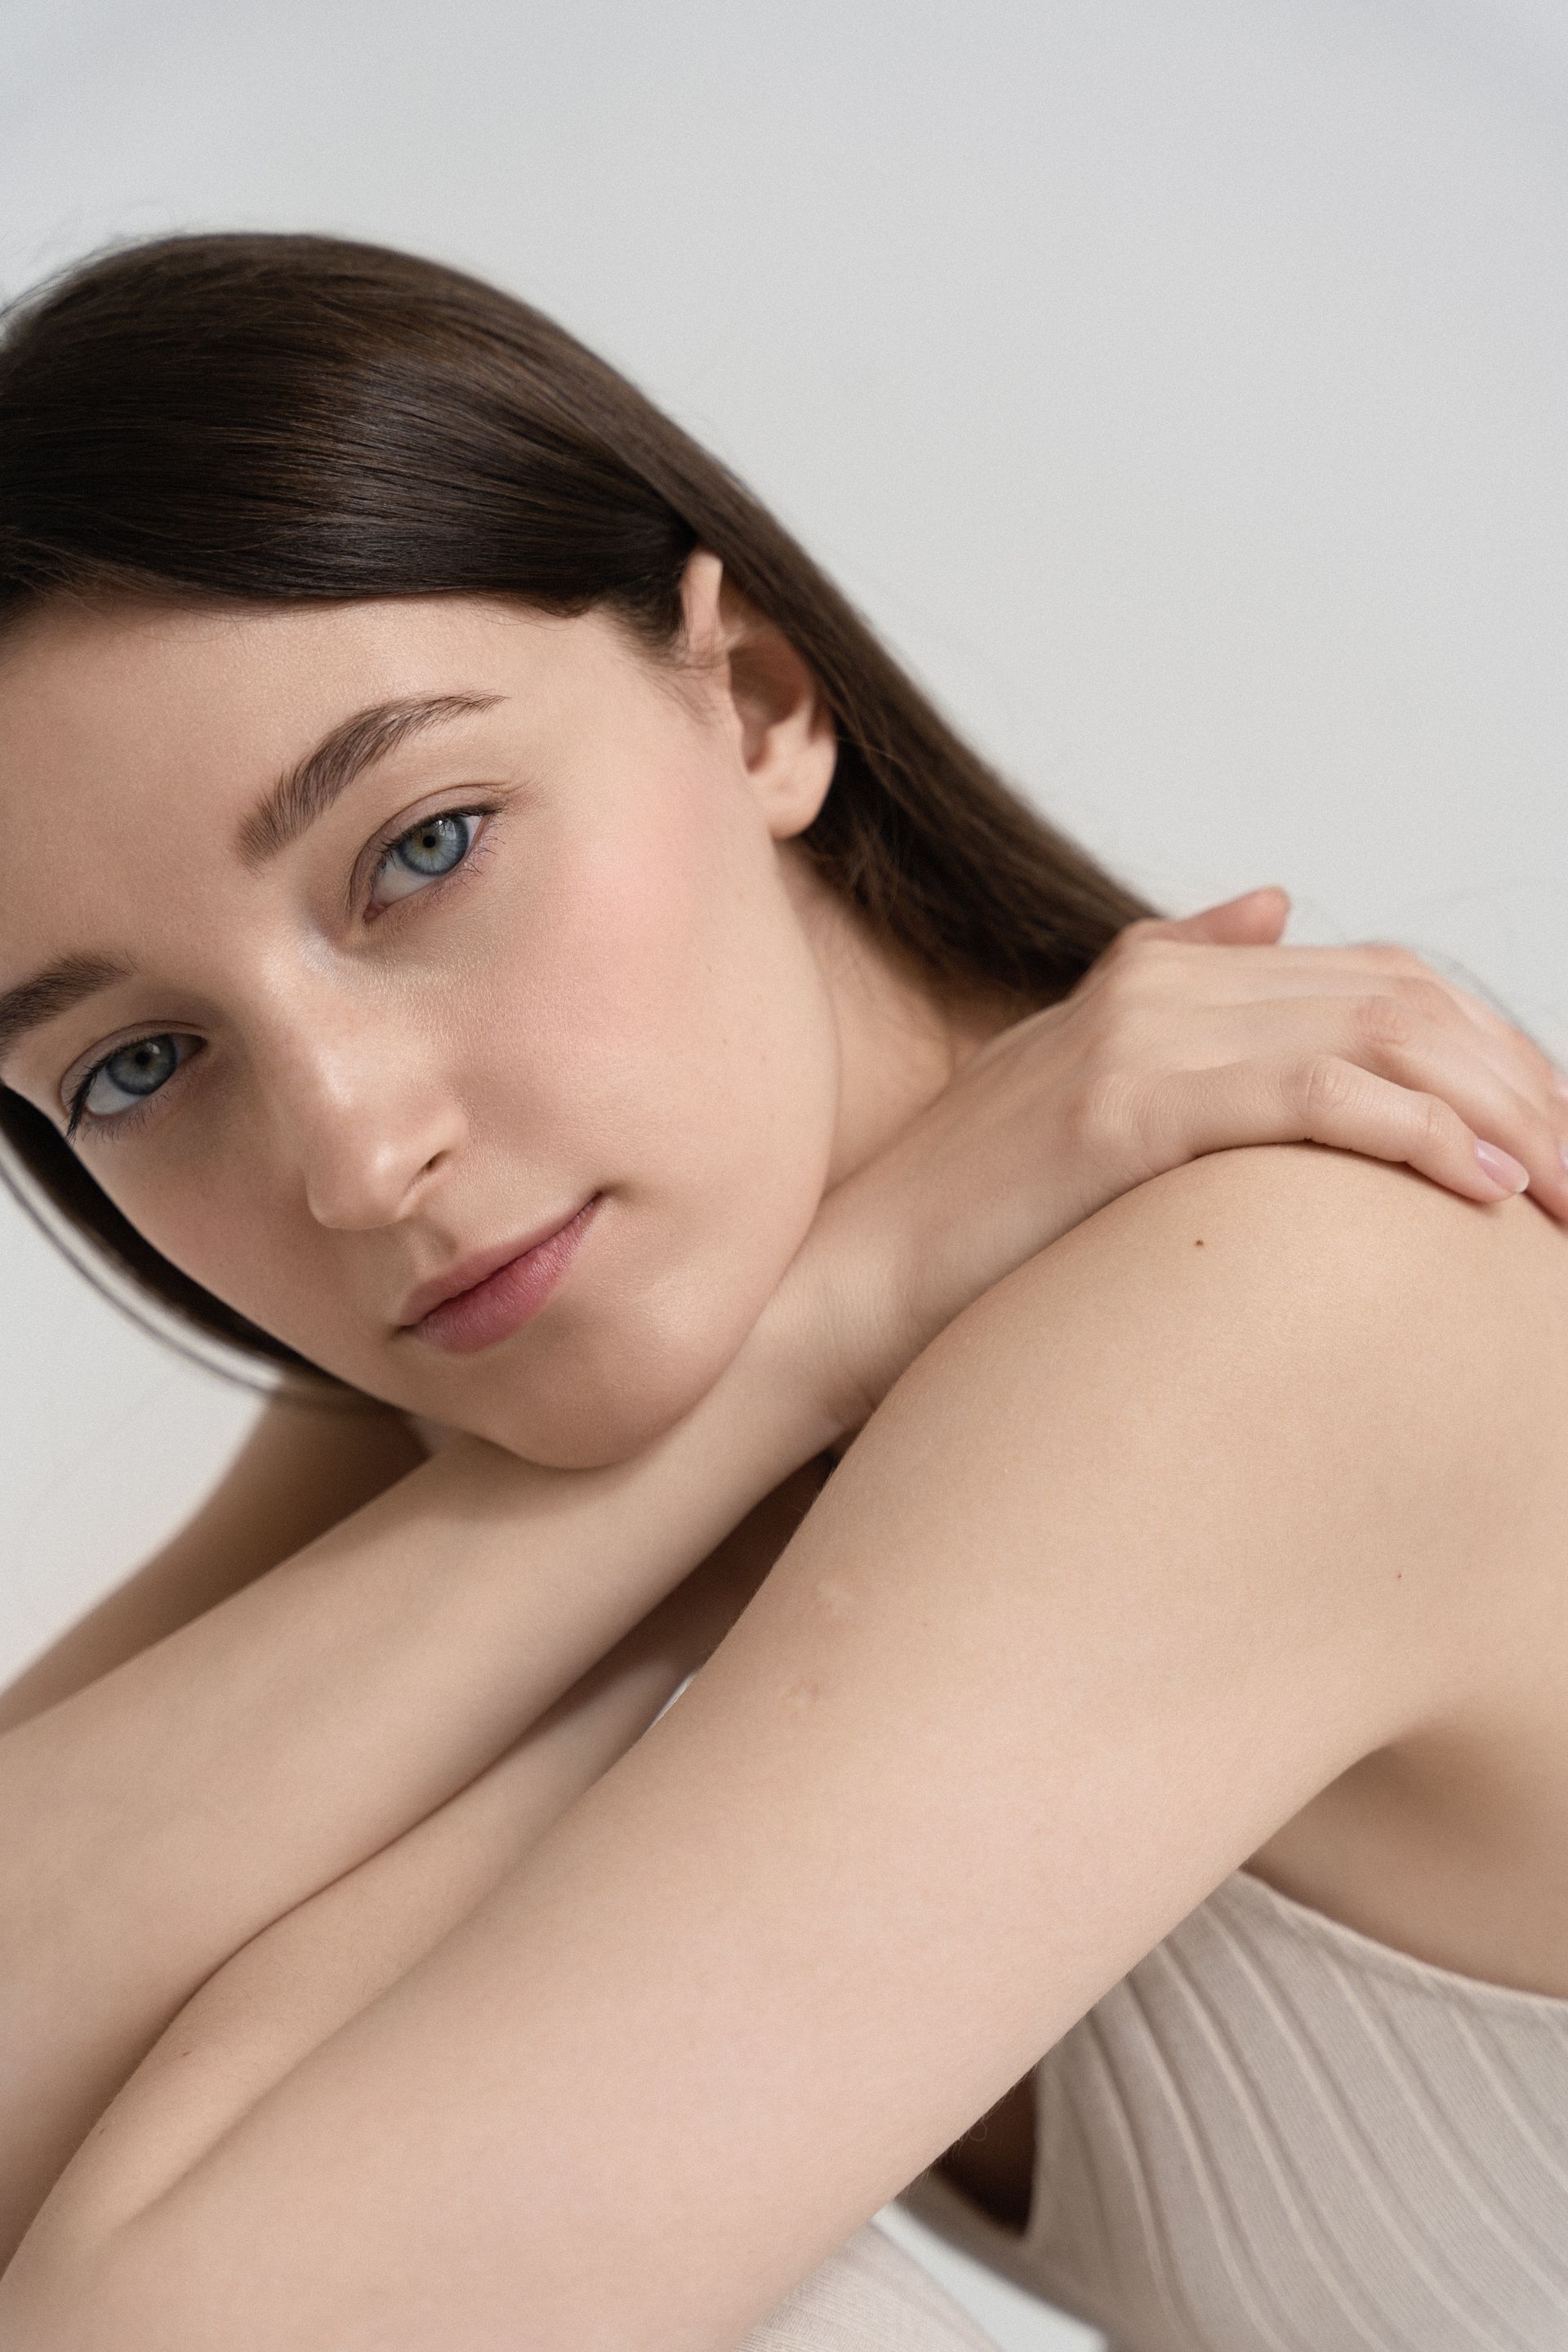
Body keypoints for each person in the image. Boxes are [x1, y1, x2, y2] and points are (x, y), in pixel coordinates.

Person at [0, 234, 1563, 2352]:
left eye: (424, 846)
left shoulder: (1274, 1298)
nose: (360, 1157)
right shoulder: (551, 1356)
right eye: (138, 1065)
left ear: (750, 702)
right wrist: (821, 1337)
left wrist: (740, 1447)